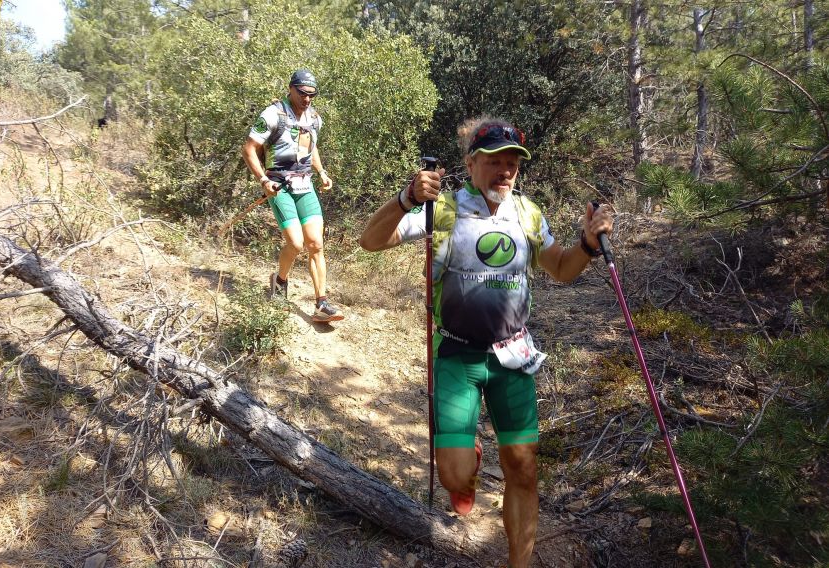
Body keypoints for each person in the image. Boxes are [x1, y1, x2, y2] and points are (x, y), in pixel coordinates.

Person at [359, 116, 613, 567]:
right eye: (496, 159)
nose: (506, 170)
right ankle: (468, 459)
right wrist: (405, 198)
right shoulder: (445, 209)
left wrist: (588, 246)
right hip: (458, 352)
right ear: (471, 163)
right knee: (455, 477)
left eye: (514, 161)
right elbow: (371, 241)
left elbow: (561, 267)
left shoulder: (528, 214)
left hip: (512, 356)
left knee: (523, 465)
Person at [242, 69, 343, 323]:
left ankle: (322, 304)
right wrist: (264, 180)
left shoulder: (314, 118)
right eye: (302, 93)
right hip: (279, 186)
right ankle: (280, 281)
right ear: (291, 88)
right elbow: (249, 148)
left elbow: (312, 146)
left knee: (316, 244)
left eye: (312, 95)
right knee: (296, 244)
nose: (307, 99)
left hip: (305, 185)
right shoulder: (272, 114)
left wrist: (321, 172)